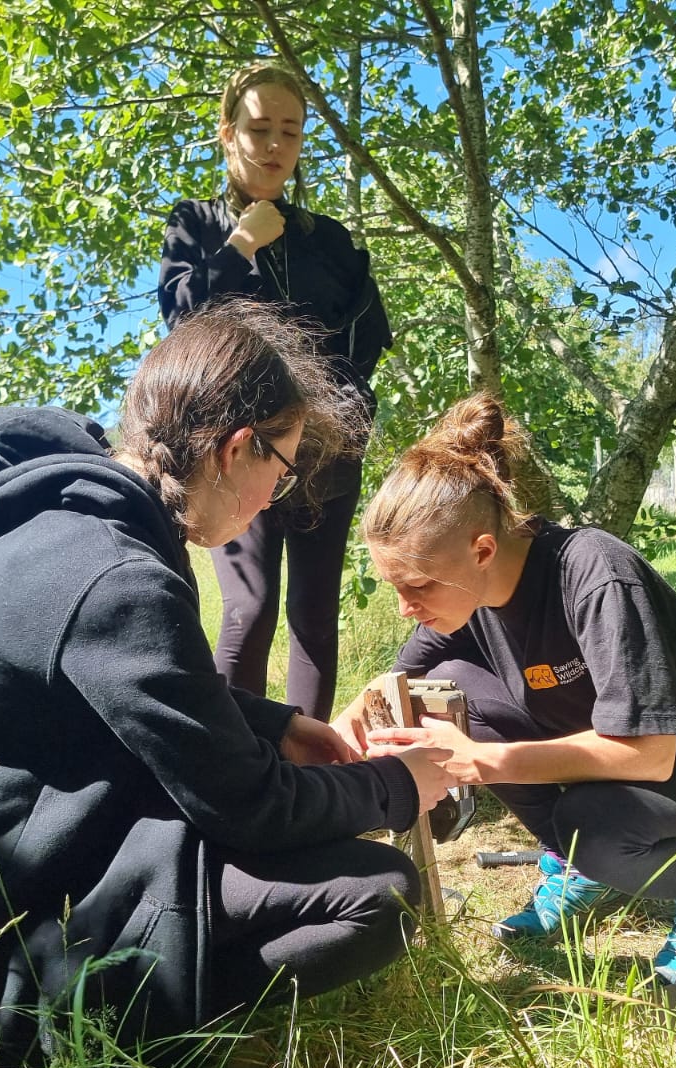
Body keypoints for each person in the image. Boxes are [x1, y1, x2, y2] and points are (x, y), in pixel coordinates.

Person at [0, 301, 452, 1068]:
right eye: (281, 471)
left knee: (290, 833)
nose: (273, 499)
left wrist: (278, 727)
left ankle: (141, 1013)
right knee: (378, 894)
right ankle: (105, 1056)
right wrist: (398, 786)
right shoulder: (118, 576)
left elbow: (127, 689)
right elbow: (249, 807)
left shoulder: (67, 524)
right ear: (236, 450)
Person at [333, 395, 676, 981]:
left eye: (417, 587)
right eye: (395, 588)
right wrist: (352, 715)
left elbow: (649, 755)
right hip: (650, 779)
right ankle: (581, 866)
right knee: (456, 687)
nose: (406, 608)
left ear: (482, 550)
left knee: (593, 825)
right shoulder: (465, 594)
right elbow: (398, 678)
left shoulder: (593, 574)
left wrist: (481, 761)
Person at [158, 60, 392, 721]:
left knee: (314, 612)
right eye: (259, 128)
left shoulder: (330, 241)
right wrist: (240, 245)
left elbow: (368, 337)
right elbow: (183, 322)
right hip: (236, 445)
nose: (274, 145)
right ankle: (239, 761)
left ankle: (309, 761)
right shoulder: (196, 225)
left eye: (290, 131)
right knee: (251, 605)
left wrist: (334, 418)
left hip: (326, 450)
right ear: (227, 133)